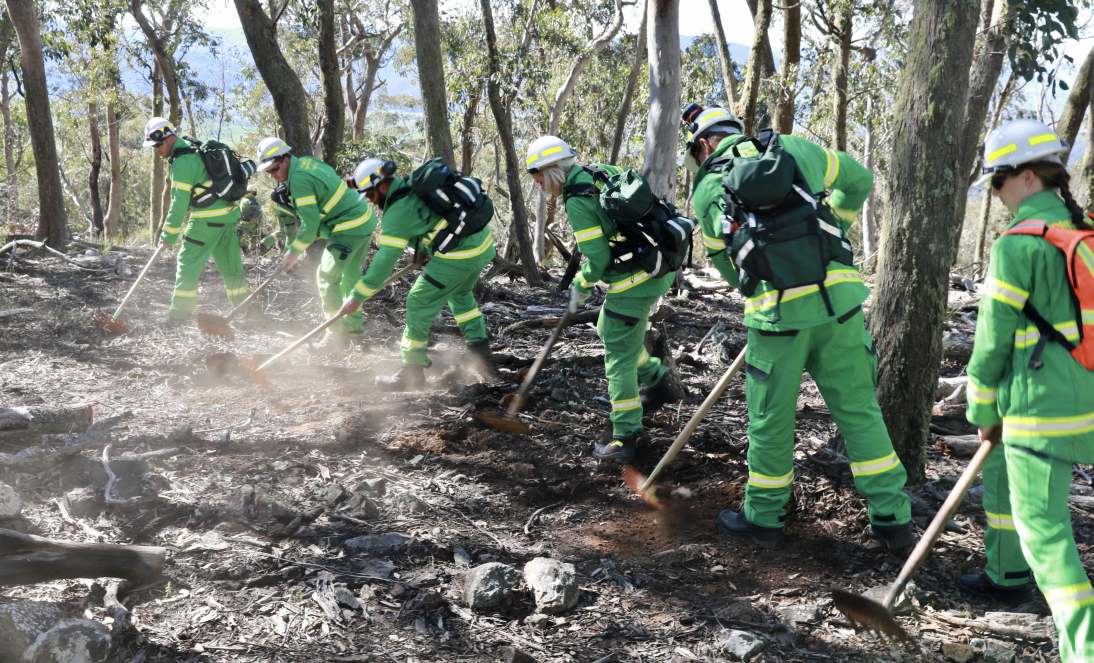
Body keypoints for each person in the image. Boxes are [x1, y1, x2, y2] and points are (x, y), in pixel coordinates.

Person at [683, 104, 913, 552]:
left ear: (705, 144)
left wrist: (758, 282)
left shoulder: (710, 185)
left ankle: (765, 519)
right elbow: (860, 181)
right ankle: (892, 519)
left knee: (770, 420)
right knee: (860, 412)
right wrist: (834, 229)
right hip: (839, 307)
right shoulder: (790, 148)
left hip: (777, 320)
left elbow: (724, 263)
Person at [966, 118, 1094, 660]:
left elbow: (992, 340)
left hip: (1039, 413)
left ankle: (1083, 646)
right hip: (1083, 400)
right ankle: (1006, 570)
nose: (995, 193)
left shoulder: (1018, 245)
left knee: (1046, 536)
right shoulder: (1081, 230)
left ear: (1025, 178)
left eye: (997, 180)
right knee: (1028, 514)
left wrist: (979, 405)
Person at [524, 135, 680, 464]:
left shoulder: (577, 199)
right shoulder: (597, 172)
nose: (539, 186)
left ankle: (626, 436)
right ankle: (656, 378)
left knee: (618, 358)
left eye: (539, 179)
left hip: (634, 280)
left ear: (553, 170)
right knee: (609, 329)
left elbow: (597, 260)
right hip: (656, 268)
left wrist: (581, 284)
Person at [338, 158, 496, 390]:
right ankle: (481, 353)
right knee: (460, 296)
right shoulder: (410, 190)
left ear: (381, 186)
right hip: (481, 246)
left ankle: (411, 374)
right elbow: (429, 222)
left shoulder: (397, 212)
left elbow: (383, 262)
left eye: (370, 196)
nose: (371, 202)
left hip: (460, 255)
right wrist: (422, 250)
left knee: (418, 301)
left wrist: (357, 296)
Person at [254, 137, 377, 345]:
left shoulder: (299, 180)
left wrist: (293, 253)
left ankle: (334, 336)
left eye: (273, 170)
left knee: (326, 276)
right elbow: (322, 212)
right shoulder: (305, 163)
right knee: (350, 277)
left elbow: (310, 227)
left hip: (349, 226)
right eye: (269, 173)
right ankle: (354, 330)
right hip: (364, 219)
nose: (274, 176)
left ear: (284, 159)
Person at [142, 117, 248, 322]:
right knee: (232, 269)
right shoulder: (194, 149)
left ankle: (179, 316)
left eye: (157, 144)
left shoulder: (182, 163)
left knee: (187, 265)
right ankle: (246, 312)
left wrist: (168, 235)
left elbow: (178, 204)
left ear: (169, 138)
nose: (157, 150)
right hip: (227, 219)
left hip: (204, 224)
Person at [260, 183, 300, 254]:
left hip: (280, 210)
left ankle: (264, 243)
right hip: (287, 212)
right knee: (291, 234)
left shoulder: (285, 185)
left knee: (283, 232)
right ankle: (286, 256)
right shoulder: (297, 187)